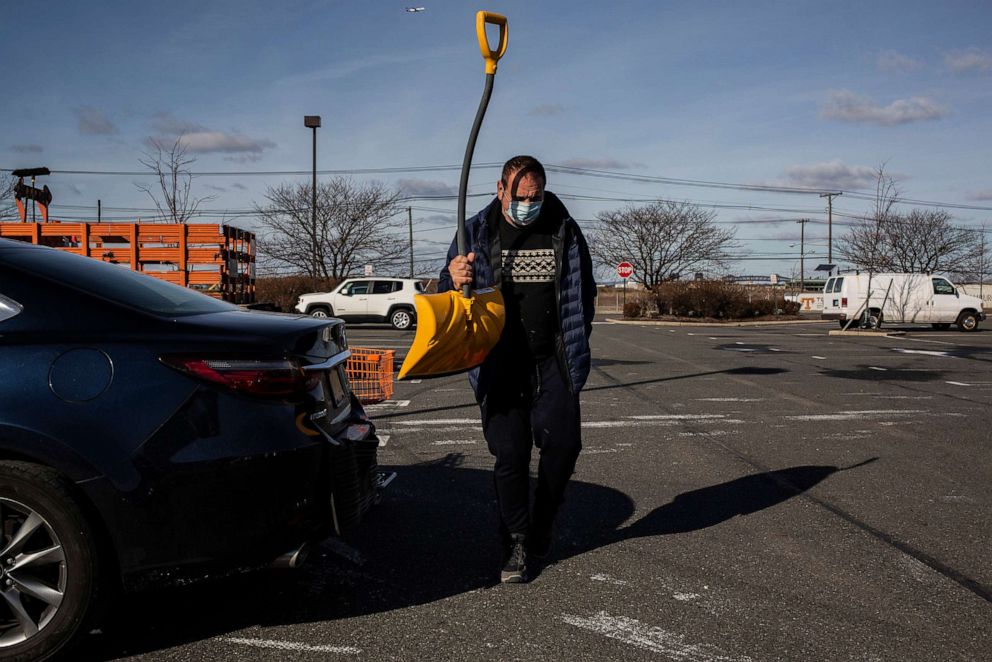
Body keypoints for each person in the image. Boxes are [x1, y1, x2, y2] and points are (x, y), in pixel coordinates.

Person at [439, 155, 596, 583]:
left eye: (536, 196)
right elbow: (444, 290)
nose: (529, 203)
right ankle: (516, 540)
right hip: (499, 362)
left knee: (564, 448)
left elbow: (585, 292)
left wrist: (577, 338)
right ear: (500, 190)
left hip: (552, 360)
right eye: (521, 196)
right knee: (510, 455)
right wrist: (453, 278)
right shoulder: (473, 231)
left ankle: (543, 523)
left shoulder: (563, 228)